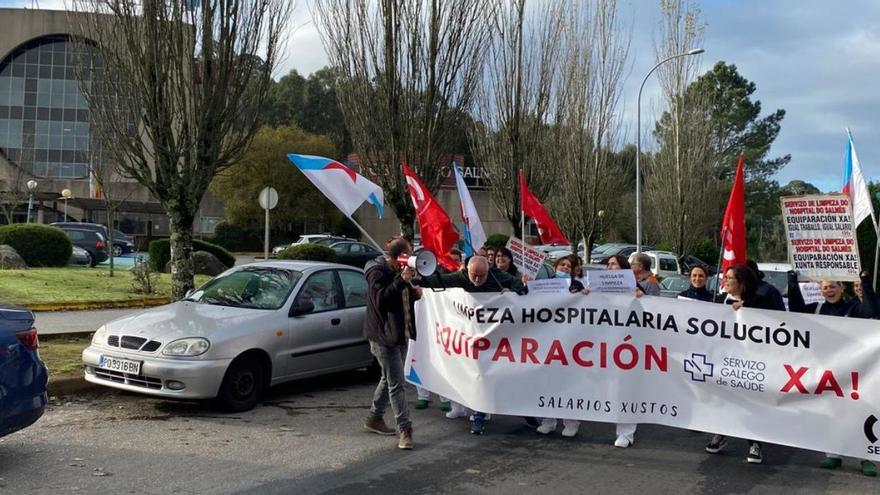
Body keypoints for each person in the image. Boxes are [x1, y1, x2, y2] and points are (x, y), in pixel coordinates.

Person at [416, 256, 521, 434]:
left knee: (485, 374)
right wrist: (414, 279)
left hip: (492, 336)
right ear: (467, 271)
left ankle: (482, 413)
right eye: (474, 275)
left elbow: (519, 284)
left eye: (482, 276)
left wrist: (512, 291)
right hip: (468, 335)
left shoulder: (498, 276)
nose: (477, 279)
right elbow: (438, 281)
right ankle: (471, 410)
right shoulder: (461, 276)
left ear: (488, 271)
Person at [787, 270, 877, 476]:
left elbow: (871, 310)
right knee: (832, 413)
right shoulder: (817, 308)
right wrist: (793, 284)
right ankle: (833, 455)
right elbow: (796, 310)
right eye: (825, 287)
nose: (829, 290)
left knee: (859, 412)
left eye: (833, 286)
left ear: (841, 288)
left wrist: (864, 282)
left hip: (855, 371)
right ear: (821, 291)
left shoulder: (853, 307)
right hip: (827, 371)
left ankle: (866, 458)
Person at [705, 264, 767, 463]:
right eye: (725, 277)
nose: (726, 281)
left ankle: (755, 443)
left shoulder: (758, 302)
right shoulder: (719, 300)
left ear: (742, 282)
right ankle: (721, 434)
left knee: (749, 402)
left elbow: (771, 324)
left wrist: (745, 310)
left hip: (750, 362)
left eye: (730, 278)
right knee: (725, 399)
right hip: (724, 359)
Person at [362, 238, 420, 450]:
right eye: (407, 255)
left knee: (388, 380)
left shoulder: (400, 272)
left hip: (400, 334)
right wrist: (401, 281)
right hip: (383, 337)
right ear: (398, 257)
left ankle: (374, 418)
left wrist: (414, 294)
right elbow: (380, 301)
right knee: (397, 384)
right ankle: (405, 430)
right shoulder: (377, 272)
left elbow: (399, 301)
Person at [536, 255, 589, 438]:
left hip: (569, 338)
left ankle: (571, 422)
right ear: (556, 266)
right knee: (548, 381)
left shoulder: (577, 285)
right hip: (548, 338)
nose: (565, 267)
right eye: (562, 264)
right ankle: (548, 421)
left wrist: (583, 295)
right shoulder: (545, 284)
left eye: (569, 266)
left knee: (569, 382)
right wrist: (525, 285)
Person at [605, 255, 639, 447]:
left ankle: (626, 433)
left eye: (614, 264)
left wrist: (640, 296)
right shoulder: (597, 288)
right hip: (601, 344)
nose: (610, 267)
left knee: (624, 388)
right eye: (608, 264)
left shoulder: (634, 288)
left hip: (625, 345)